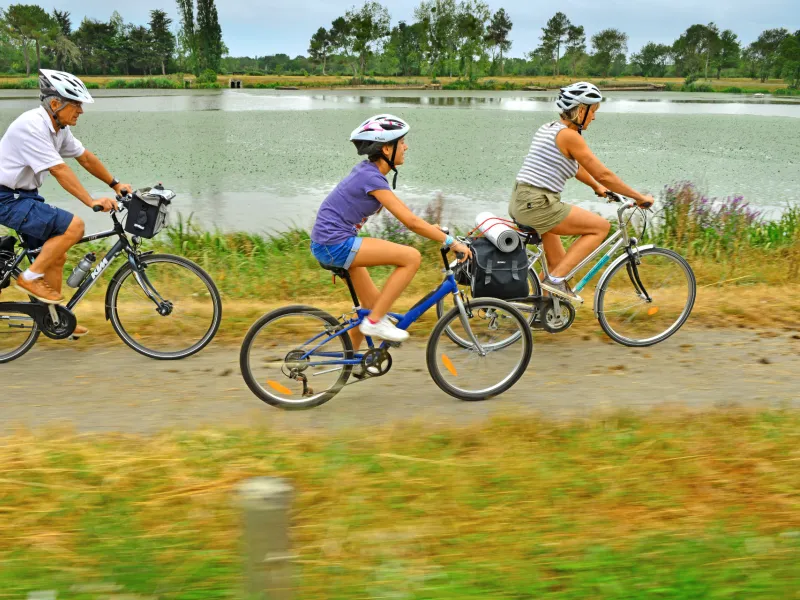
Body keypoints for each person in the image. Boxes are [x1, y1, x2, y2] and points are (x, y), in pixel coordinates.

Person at [310, 114, 471, 345]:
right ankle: (374, 323)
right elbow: (411, 222)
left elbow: (407, 217)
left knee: (373, 307)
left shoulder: (368, 173)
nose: (406, 146)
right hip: (335, 244)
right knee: (411, 257)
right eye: (402, 142)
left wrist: (430, 229)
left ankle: (350, 365)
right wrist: (452, 242)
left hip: (328, 243)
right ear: (387, 149)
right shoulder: (372, 178)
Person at [0, 69, 131, 337]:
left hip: (24, 196)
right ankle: (29, 278)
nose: (80, 111)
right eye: (76, 104)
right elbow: (60, 170)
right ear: (56, 104)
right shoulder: (33, 126)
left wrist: (115, 184)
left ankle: (56, 320)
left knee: (56, 255)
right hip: (7, 198)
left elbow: (85, 158)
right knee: (74, 227)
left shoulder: (59, 128)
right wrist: (90, 200)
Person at [509, 81, 654, 302]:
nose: (594, 117)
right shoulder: (570, 136)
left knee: (560, 264)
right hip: (538, 204)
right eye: (593, 111)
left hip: (522, 201)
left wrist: (597, 187)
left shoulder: (549, 129)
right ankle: (553, 282)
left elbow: (575, 167)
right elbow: (604, 174)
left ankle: (542, 308)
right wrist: (639, 197)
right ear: (580, 110)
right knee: (600, 227)